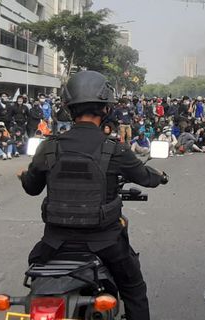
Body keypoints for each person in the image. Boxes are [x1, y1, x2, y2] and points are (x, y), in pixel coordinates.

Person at [17, 71, 168, 320]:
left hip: (55, 243)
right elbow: (144, 177)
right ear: (106, 109)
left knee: (35, 271)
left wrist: (24, 176)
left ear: (67, 108)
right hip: (105, 242)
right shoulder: (114, 148)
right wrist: (160, 176)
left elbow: (32, 187)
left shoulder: (49, 146)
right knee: (134, 289)